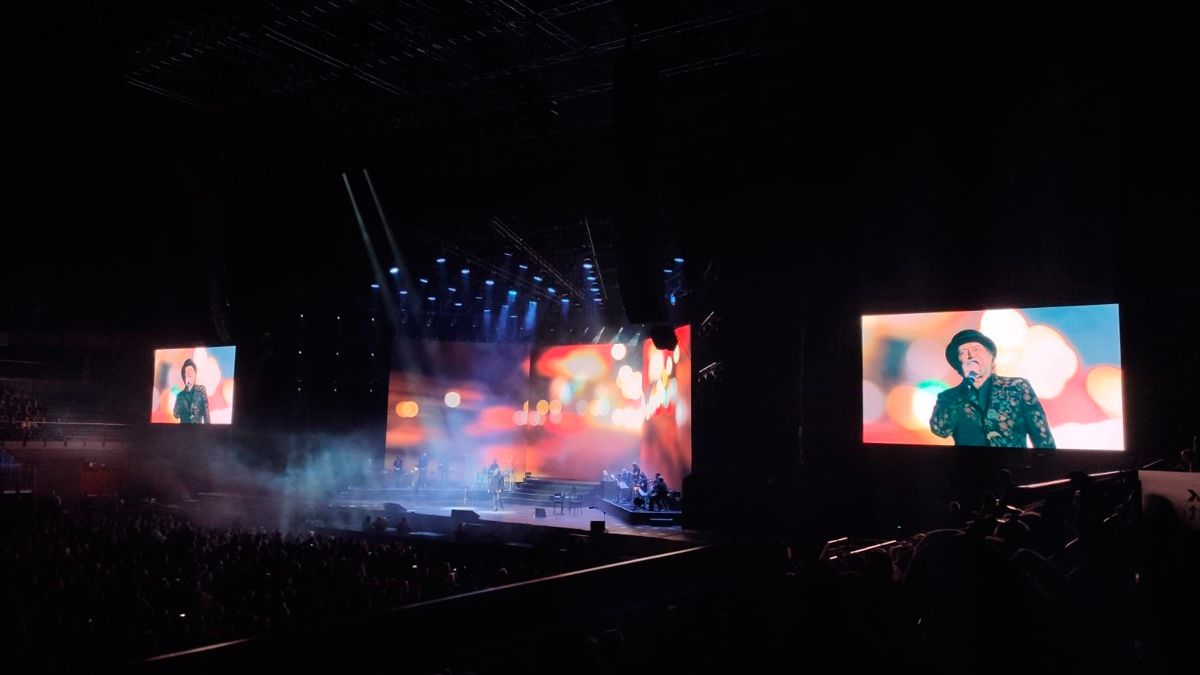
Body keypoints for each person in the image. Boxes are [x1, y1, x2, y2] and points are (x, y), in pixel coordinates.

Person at [929, 329, 1055, 448]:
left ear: (991, 358)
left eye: (976, 349)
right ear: (958, 365)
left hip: (1013, 467)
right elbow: (941, 430)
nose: (971, 355)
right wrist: (963, 391)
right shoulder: (948, 397)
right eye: (963, 352)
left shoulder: (1017, 387)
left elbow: (1042, 436)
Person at [172, 358, 210, 424]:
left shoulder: (201, 390)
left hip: (198, 431)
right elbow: (176, 415)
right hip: (183, 431)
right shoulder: (180, 396)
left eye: (191, 371)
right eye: (187, 372)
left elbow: (206, 415)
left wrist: (208, 431)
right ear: (184, 376)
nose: (189, 374)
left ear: (195, 374)